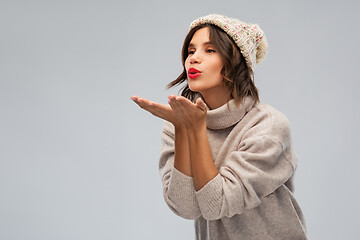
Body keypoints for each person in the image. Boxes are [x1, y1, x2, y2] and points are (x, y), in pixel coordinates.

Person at [131, 13, 307, 240]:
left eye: (210, 50)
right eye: (191, 51)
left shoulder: (268, 127)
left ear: (235, 62)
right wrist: (183, 131)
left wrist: (194, 130)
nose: (193, 59)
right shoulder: (178, 123)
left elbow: (217, 204)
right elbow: (185, 208)